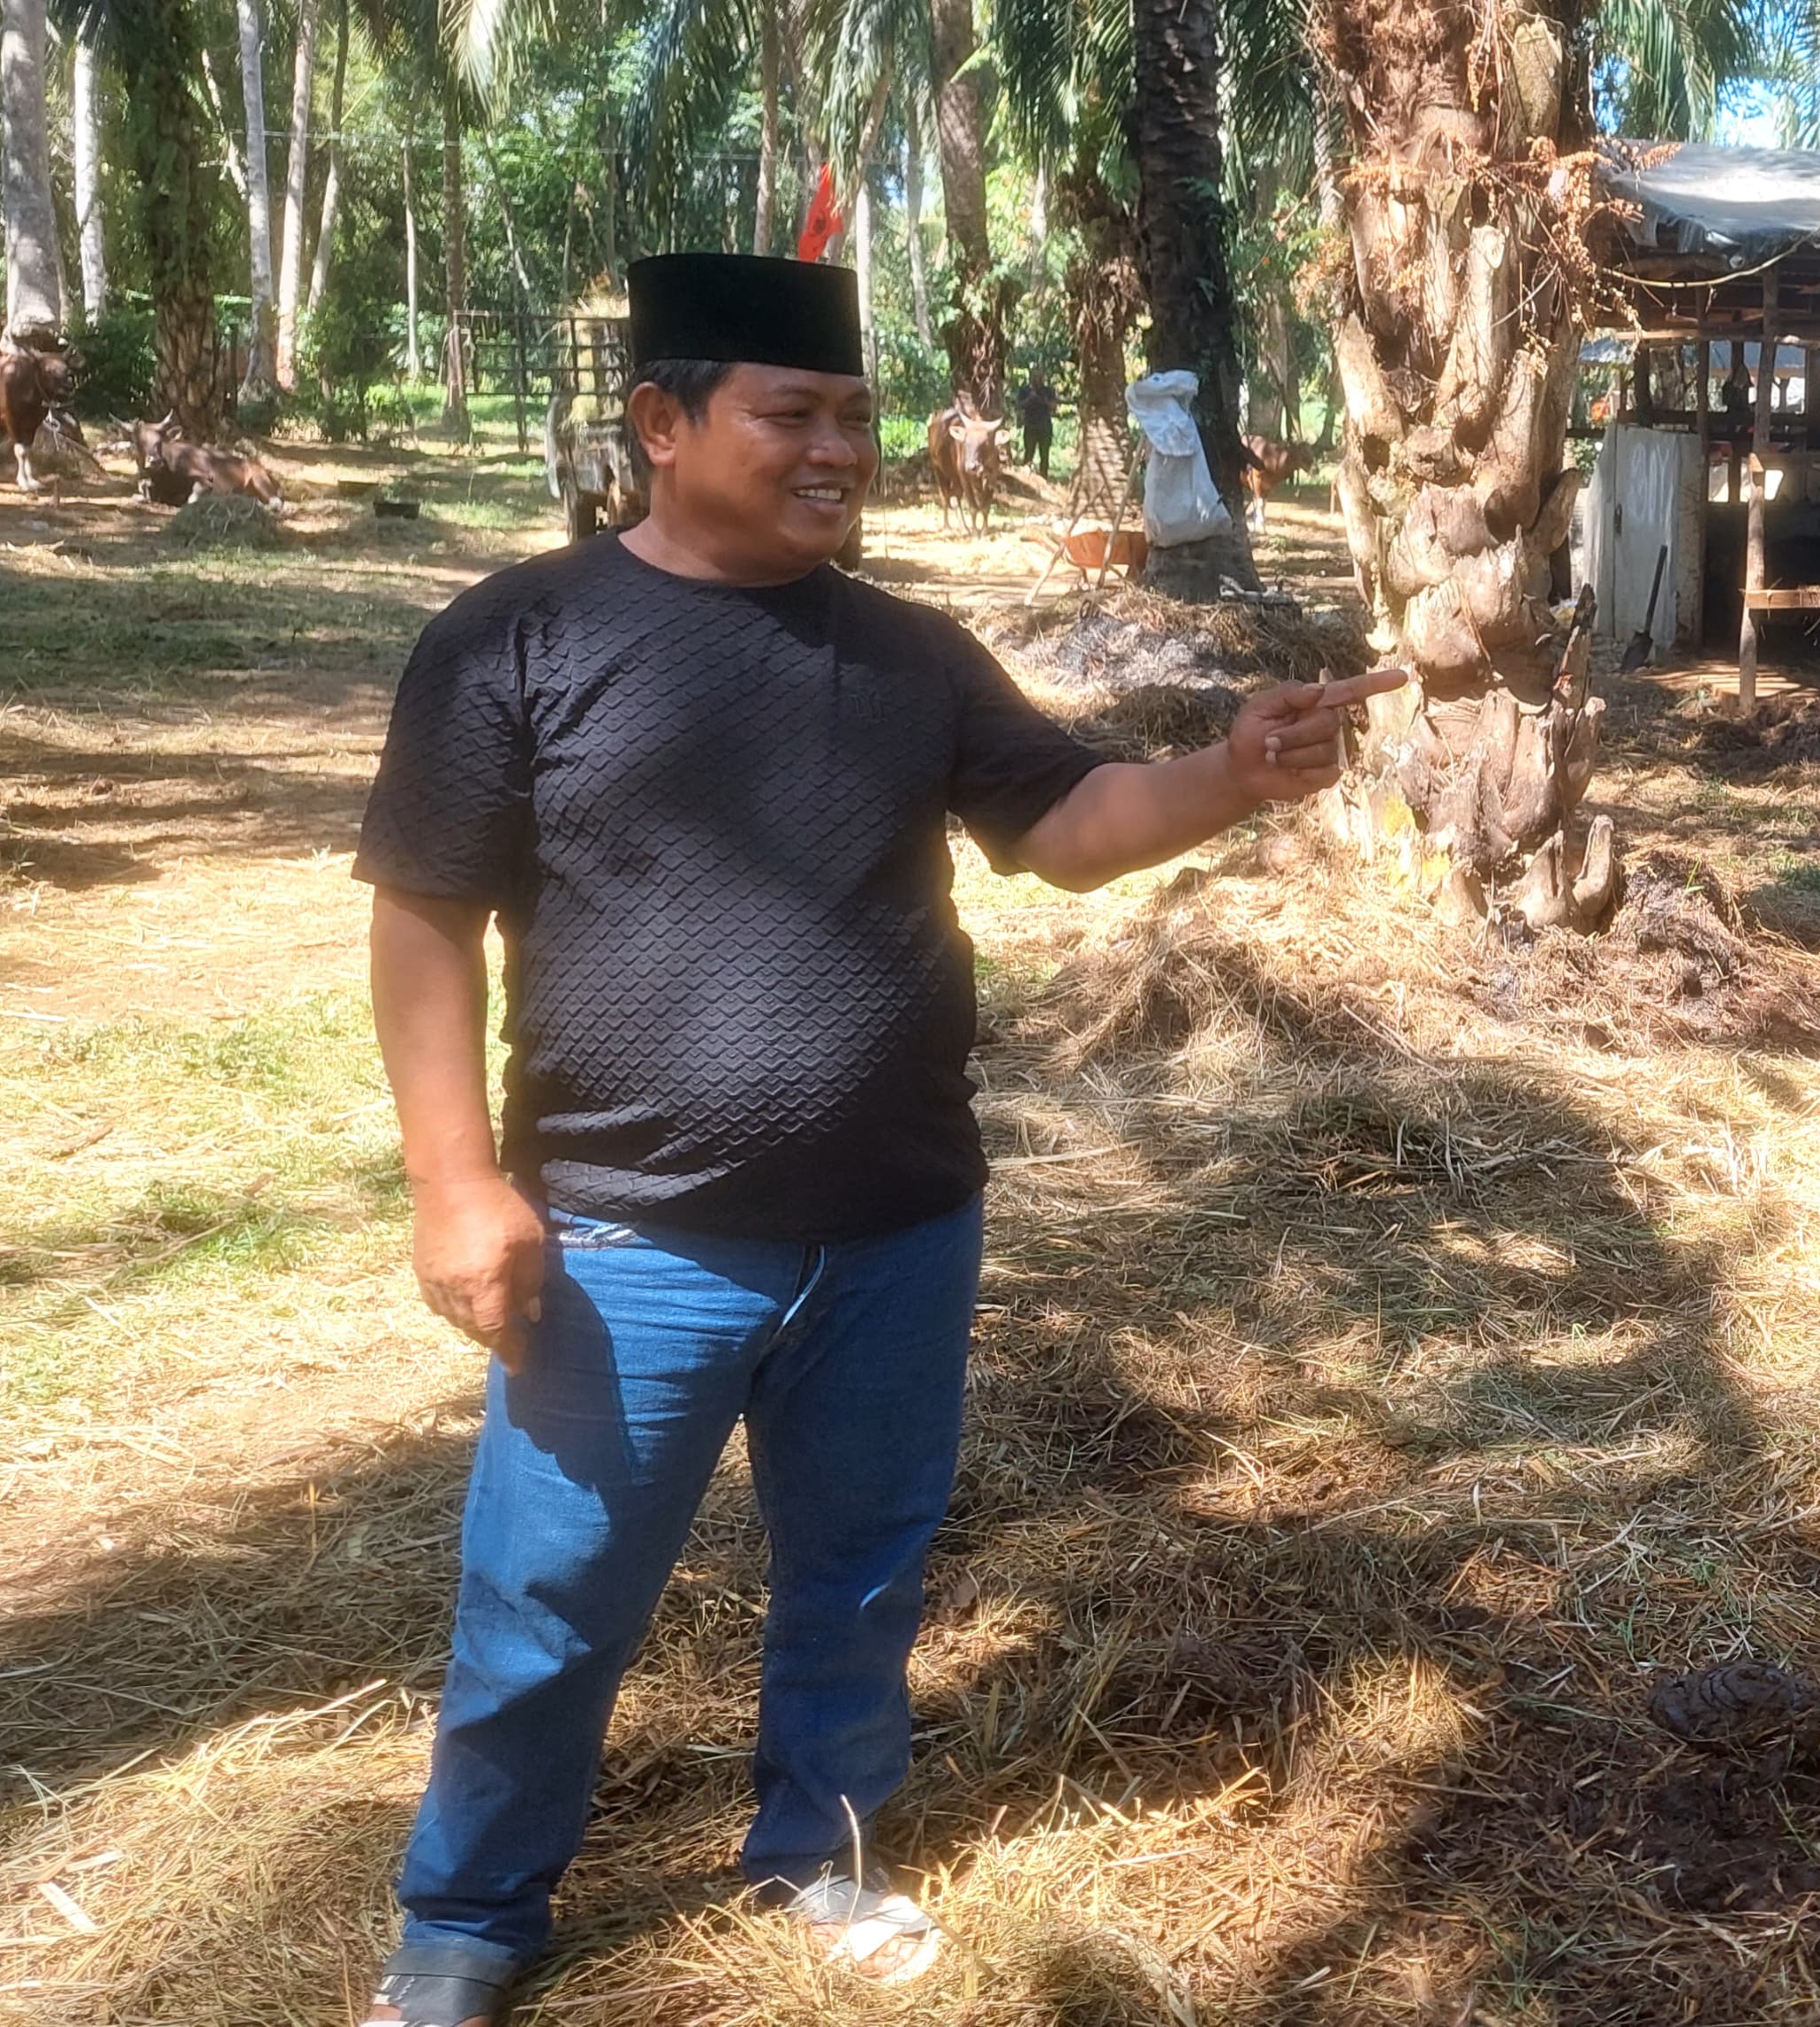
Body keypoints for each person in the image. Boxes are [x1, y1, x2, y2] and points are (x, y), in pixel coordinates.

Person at [346, 253, 1399, 2027]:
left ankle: (816, 1850)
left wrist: (1229, 773)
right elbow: (424, 917)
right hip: (625, 1239)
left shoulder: (908, 651)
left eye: (853, 415)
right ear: (662, 421)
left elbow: (1063, 825)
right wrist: (455, 1181)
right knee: (548, 1598)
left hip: (900, 1224)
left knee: (859, 1574)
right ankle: (467, 1917)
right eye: (792, 414)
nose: (840, 448)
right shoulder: (518, 637)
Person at [1012, 365, 1055, 481]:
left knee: (1044, 454)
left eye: (1039, 377)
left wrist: (1043, 400)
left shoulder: (1048, 391)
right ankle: (1026, 478)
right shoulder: (1025, 390)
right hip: (1030, 425)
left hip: (1045, 426)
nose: (1037, 379)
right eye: (1035, 376)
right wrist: (1029, 399)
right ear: (1031, 377)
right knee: (1029, 453)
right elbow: (1018, 405)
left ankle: (1043, 477)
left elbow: (1053, 406)